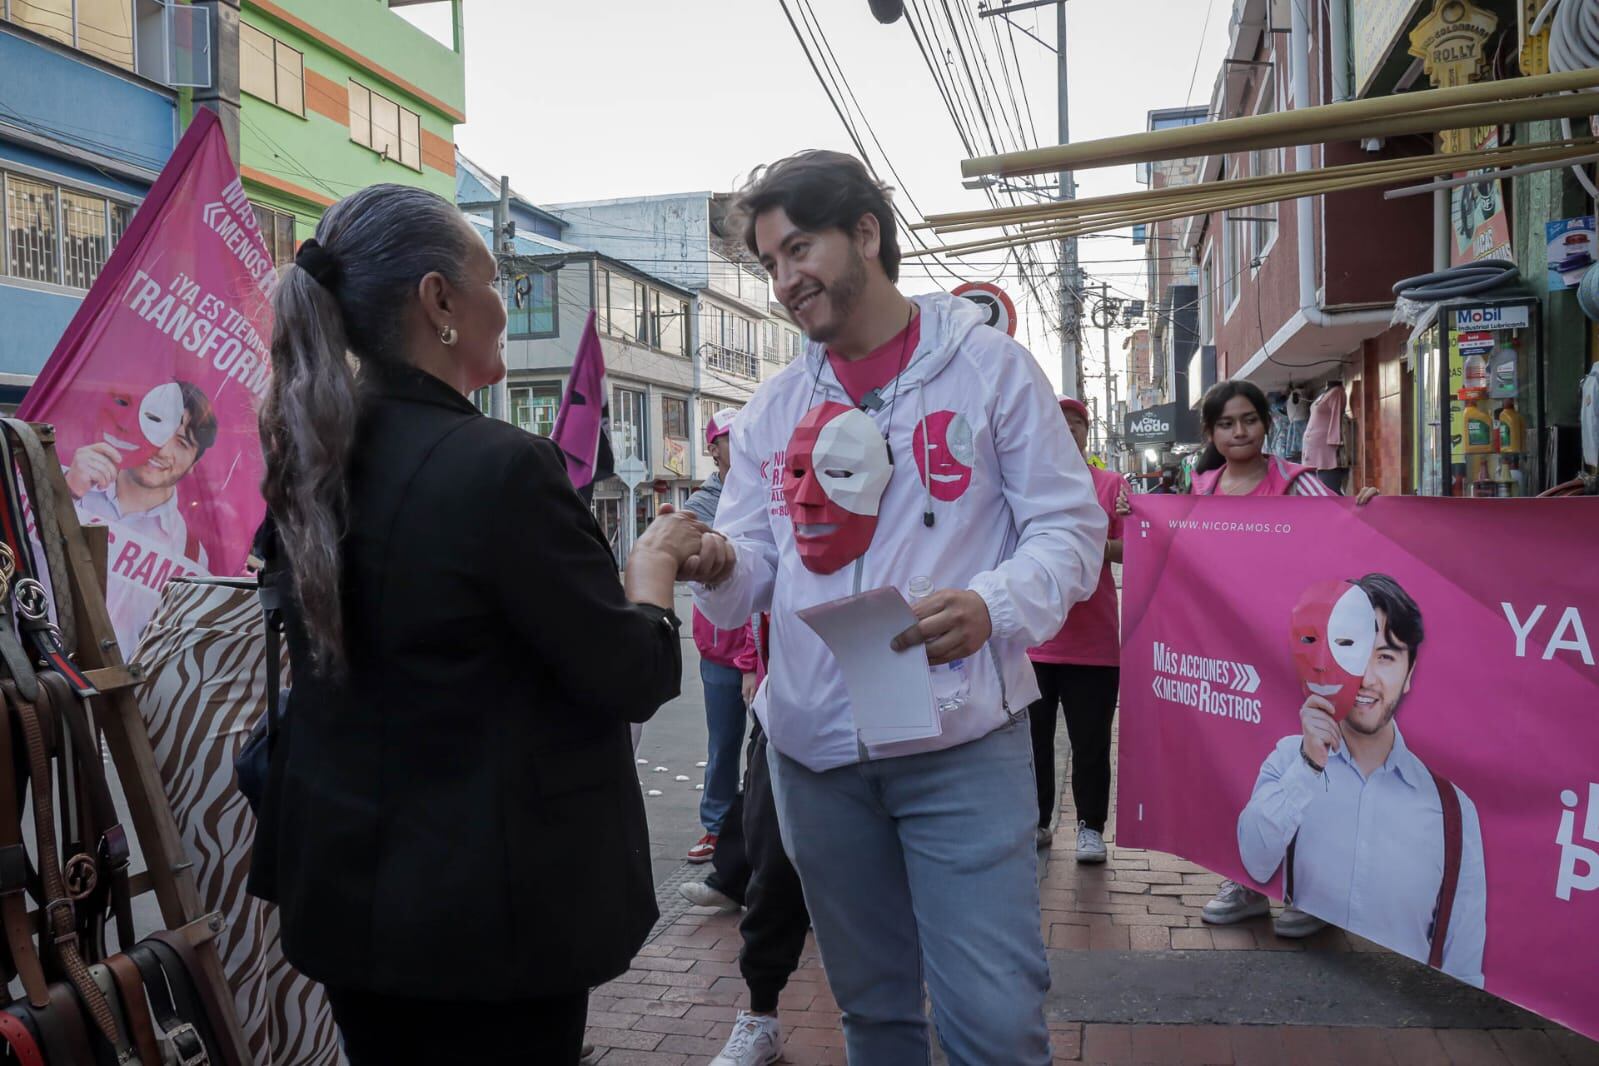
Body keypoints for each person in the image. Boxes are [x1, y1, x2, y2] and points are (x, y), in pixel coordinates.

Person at [246, 184, 709, 1066]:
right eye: (495, 281)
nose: (504, 305)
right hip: (486, 924)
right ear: (439, 301)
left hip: (348, 899)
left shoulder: (311, 464)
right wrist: (652, 575)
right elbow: (627, 674)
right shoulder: (500, 470)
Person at [668, 150, 1106, 1064]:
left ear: (865, 233)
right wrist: (713, 562)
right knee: (873, 1015)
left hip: (958, 744)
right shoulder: (773, 408)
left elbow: (1067, 533)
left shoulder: (989, 371)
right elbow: (755, 570)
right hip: (813, 755)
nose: (786, 280)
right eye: (769, 263)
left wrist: (991, 604)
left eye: (799, 250)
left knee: (992, 1020)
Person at [1173, 379, 1381, 932]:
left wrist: (1365, 507)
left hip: (1289, 654)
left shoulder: (1296, 483)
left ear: (1266, 423)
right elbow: (1172, 549)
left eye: (1248, 420)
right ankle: (1248, 882)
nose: (1238, 432)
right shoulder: (1201, 488)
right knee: (1243, 761)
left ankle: (1312, 892)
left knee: (1304, 760)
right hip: (1227, 655)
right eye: (1225, 424)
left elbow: (1346, 528)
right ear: (1211, 433)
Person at [1234, 574, 1486, 985]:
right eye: (1353, 650)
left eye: (1385, 656)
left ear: (1409, 673)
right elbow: (1254, 861)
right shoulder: (1289, 757)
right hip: (1303, 1001)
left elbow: (1464, 965)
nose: (1366, 677)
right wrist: (1309, 766)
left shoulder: (1452, 811)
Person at [1028, 397, 1125, 861]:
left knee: (1091, 743)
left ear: (1087, 432)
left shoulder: (1110, 485)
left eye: (1076, 425)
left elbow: (1134, 549)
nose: (1068, 432)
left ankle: (1091, 828)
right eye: (1058, 424)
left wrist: (1091, 547)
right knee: (1032, 743)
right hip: (1035, 644)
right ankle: (1037, 821)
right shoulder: (1029, 485)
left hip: (1095, 644)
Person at [66, 380, 219, 653]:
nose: (162, 449)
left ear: (195, 464)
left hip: (108, 693)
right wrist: (65, 490)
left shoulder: (191, 554)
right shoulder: (67, 480)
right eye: (156, 423)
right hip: (26, 675)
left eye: (182, 442)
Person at [682, 407, 759, 864]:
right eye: (731, 437)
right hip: (718, 649)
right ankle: (717, 828)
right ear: (713, 448)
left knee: (767, 746)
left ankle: (755, 833)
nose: (740, 442)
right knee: (724, 743)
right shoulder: (699, 508)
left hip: (762, 650)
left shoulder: (762, 492)